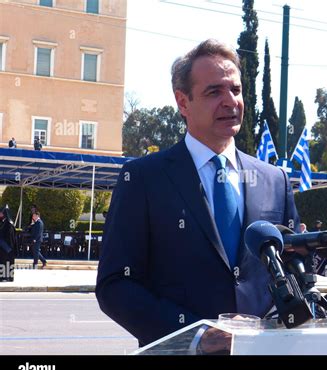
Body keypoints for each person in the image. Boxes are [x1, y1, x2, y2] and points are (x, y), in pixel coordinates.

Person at [96, 39, 300, 348]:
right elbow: (115, 285)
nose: (230, 101)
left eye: (236, 90)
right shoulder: (143, 178)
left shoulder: (275, 181)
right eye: (214, 91)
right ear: (183, 102)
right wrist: (196, 336)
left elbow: (295, 272)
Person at [0, 206, 17, 282]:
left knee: (7, 263)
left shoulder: (9, 224)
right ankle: (3, 276)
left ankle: (8, 277)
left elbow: (10, 237)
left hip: (7, 248)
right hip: (3, 247)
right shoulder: (3, 222)